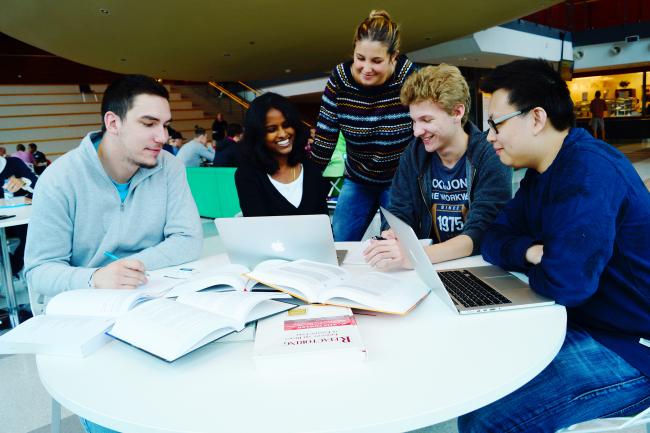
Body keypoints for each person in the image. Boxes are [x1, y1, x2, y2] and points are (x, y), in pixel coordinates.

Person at [457, 59, 650, 433]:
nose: (489, 136)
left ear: (536, 118)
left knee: (486, 422)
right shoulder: (540, 176)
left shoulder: (589, 171)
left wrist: (545, 259)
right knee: (478, 390)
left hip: (632, 347)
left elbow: (565, 282)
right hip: (582, 324)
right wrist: (532, 252)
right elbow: (494, 237)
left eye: (496, 123)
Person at [24, 74, 203, 433]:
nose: (162, 137)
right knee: (117, 408)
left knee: (199, 372)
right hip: (86, 307)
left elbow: (188, 240)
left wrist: (130, 269)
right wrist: (94, 278)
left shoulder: (169, 167)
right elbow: (40, 271)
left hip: (151, 295)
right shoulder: (60, 180)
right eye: (149, 124)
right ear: (113, 122)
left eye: (165, 125)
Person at [363, 65, 512, 269]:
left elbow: (481, 232)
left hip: (477, 265)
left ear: (457, 112)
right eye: (414, 121)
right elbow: (399, 211)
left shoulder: (489, 153)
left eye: (426, 120)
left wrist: (414, 257)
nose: (417, 131)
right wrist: (392, 233)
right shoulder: (414, 154)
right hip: (430, 265)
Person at [310, 10, 415, 241]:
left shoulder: (408, 78)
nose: (366, 68)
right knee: (339, 243)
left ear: (393, 57)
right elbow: (325, 137)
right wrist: (308, 180)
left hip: (400, 181)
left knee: (396, 245)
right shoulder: (339, 80)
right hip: (358, 179)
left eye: (376, 61)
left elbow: (425, 130)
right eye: (360, 58)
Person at [235, 92, 329, 216]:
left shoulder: (311, 168)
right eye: (271, 129)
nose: (283, 134)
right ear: (258, 135)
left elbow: (323, 222)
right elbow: (257, 229)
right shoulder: (247, 175)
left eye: (286, 125)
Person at [1, 155, 38, 275]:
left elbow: (38, 186)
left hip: (21, 219)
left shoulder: (14, 163)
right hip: (3, 221)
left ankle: (12, 269)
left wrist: (23, 181)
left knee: (31, 239)